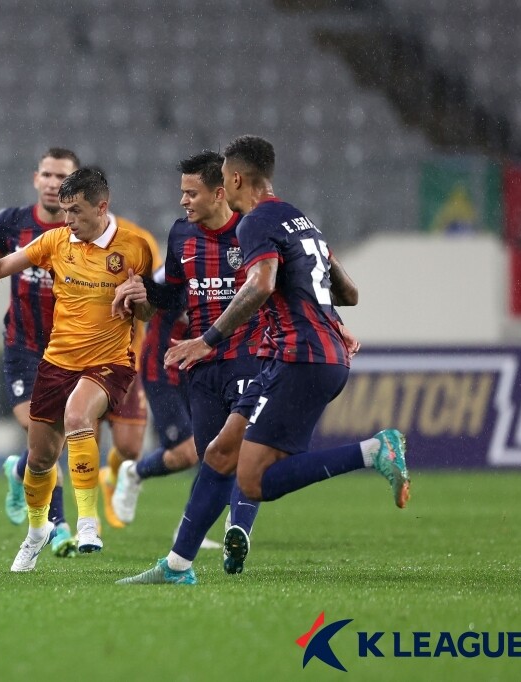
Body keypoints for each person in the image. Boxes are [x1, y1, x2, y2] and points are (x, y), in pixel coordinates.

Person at [117, 135, 407, 586]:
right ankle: (177, 565)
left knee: (252, 480)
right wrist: (326, 318)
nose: (184, 200)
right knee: (218, 454)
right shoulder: (299, 219)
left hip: (291, 355)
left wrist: (207, 340)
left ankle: (372, 452)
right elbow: (348, 293)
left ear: (231, 180)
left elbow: (262, 284)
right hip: (297, 353)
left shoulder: (253, 224)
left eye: (193, 191)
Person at [0, 168, 155, 572]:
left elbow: (149, 310)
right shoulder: (56, 241)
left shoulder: (135, 248)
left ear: (102, 207)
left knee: (79, 414)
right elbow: (3, 265)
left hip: (109, 362)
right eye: (64, 211)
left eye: (76, 212)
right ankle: (36, 532)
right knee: (41, 460)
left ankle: (86, 523)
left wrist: (139, 297)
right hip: (57, 361)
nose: (67, 220)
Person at [110, 150, 265, 569]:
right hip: (195, 365)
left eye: (190, 193)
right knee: (204, 455)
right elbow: (172, 294)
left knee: (244, 450)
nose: (183, 201)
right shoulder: (181, 235)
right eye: (182, 193)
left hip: (247, 357)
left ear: (219, 193)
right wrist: (144, 289)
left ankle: (237, 531)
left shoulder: (253, 233)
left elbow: (284, 286)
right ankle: (184, 534)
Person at [0, 147, 81, 558]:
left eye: (61, 177)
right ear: (36, 178)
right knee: (42, 434)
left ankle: (17, 472)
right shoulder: (11, 223)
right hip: (23, 347)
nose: (53, 183)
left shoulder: (83, 232)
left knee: (48, 446)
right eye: (47, 174)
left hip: (69, 351)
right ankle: (60, 526)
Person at [96, 211, 163, 530]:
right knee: (84, 439)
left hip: (126, 358)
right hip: (80, 357)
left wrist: (142, 295)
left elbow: (154, 301)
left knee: (130, 447)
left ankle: (110, 476)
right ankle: (85, 520)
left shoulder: (139, 241)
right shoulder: (61, 241)